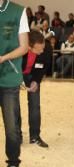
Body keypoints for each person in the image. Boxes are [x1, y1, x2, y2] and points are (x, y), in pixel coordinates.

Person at [0, 0, 29, 166]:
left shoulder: (18, 11)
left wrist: (4, 58)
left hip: (9, 77)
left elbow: (24, 47)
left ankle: (12, 161)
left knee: (11, 127)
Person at [20, 30, 52, 149]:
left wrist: (36, 81)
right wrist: (18, 79)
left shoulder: (46, 48)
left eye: (43, 47)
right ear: (28, 46)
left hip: (33, 75)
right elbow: (12, 65)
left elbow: (43, 67)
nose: (42, 51)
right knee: (14, 105)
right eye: (38, 49)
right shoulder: (18, 47)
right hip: (16, 75)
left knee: (35, 105)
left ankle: (35, 136)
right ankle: (16, 136)